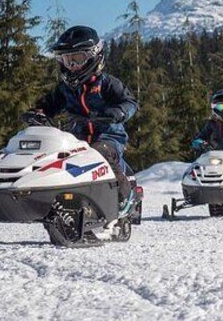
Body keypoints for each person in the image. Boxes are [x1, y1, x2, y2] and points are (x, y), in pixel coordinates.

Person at [24, 25, 138, 216]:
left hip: (109, 137)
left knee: (100, 152)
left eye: (77, 59)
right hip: (76, 139)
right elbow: (49, 105)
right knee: (56, 160)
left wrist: (119, 111)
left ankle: (123, 196)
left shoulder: (107, 83)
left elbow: (130, 102)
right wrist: (38, 113)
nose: (72, 66)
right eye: (67, 60)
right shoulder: (65, 88)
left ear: (94, 56)